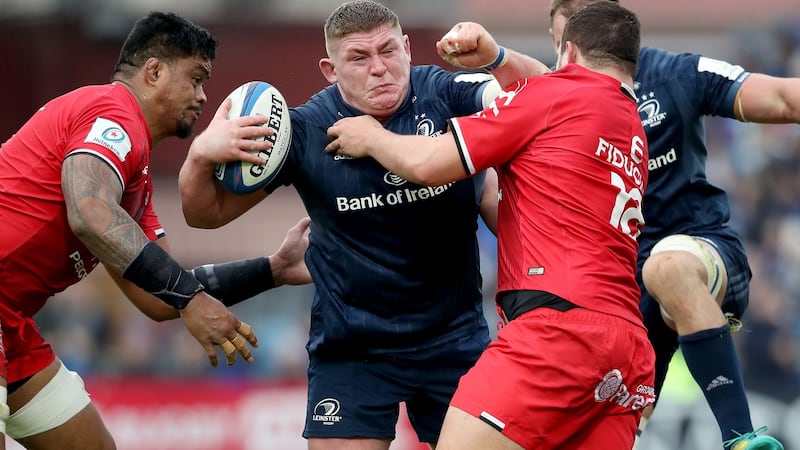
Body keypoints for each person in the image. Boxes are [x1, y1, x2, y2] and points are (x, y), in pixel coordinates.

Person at [178, 1, 549, 448]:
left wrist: (497, 58)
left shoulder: (449, 93)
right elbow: (205, 214)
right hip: (352, 349)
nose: (380, 69)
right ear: (330, 70)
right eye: (359, 57)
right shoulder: (304, 131)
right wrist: (200, 154)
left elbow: (546, 94)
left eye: (388, 51)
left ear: (408, 48)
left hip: (454, 341)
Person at [325, 2, 654, 449]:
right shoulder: (630, 125)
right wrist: (498, 59)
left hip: (557, 329)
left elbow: (427, 164)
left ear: (569, 53)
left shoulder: (555, 95)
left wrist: (371, 136)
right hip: (628, 346)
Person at [0, 11, 311, 450]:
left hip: (10, 322)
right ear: (154, 71)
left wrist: (273, 270)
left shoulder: (135, 183)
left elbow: (158, 299)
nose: (203, 96)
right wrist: (192, 300)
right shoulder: (112, 110)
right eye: (196, 78)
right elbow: (89, 213)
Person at [548, 1, 797, 449]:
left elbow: (780, 97)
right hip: (618, 300)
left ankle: (741, 437)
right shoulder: (543, 104)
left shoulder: (676, 75)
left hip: (700, 253)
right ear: (562, 49)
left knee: (665, 268)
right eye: (579, 42)